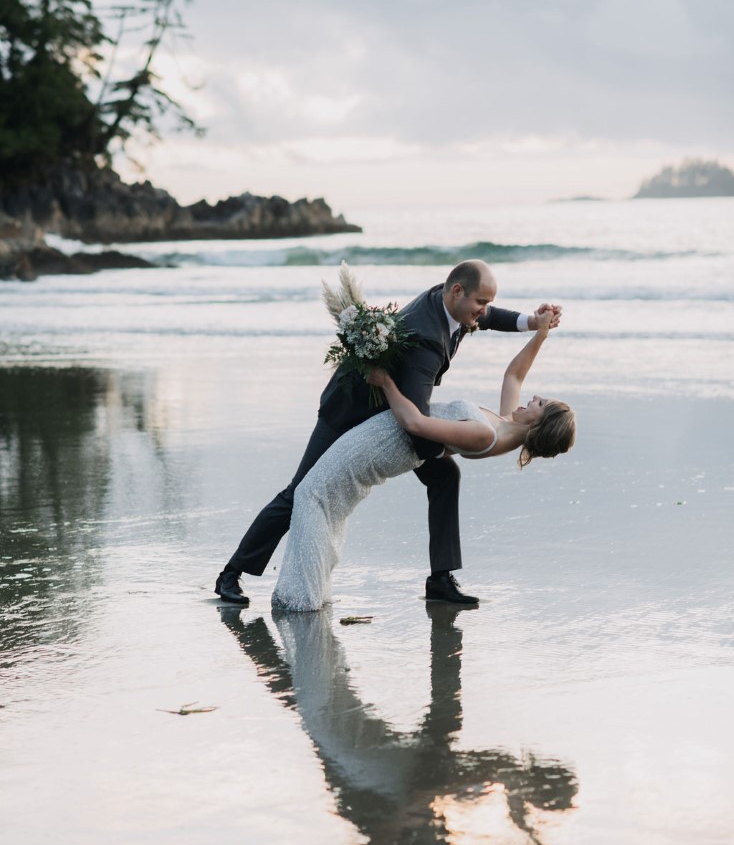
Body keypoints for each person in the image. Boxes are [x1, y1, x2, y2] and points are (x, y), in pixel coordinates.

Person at [215, 259, 561, 608]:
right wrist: (453, 444)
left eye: (487, 303)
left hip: (391, 409)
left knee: (445, 478)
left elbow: (492, 324)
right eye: (481, 303)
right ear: (457, 291)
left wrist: (533, 324)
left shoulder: (443, 301)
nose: (484, 312)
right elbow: (417, 429)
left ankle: (440, 579)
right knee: (300, 491)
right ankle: (231, 573)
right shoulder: (427, 340)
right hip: (351, 410)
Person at [270, 311, 575, 612]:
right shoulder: (508, 423)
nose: (534, 396)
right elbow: (514, 374)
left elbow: (414, 423)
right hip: (390, 433)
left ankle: (301, 599)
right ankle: (439, 579)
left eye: (541, 403)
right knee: (319, 493)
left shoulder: (485, 434)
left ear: (539, 425)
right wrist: (541, 333)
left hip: (386, 439)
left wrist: (386, 382)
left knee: (312, 494)